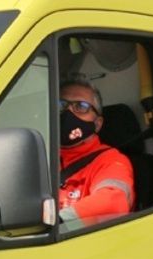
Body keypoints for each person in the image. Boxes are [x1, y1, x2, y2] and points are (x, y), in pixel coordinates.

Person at [56, 79, 135, 229]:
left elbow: (113, 202)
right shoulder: (42, 158)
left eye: (81, 106)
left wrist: (54, 224)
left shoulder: (111, 160)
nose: (69, 112)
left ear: (97, 124)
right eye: (61, 105)